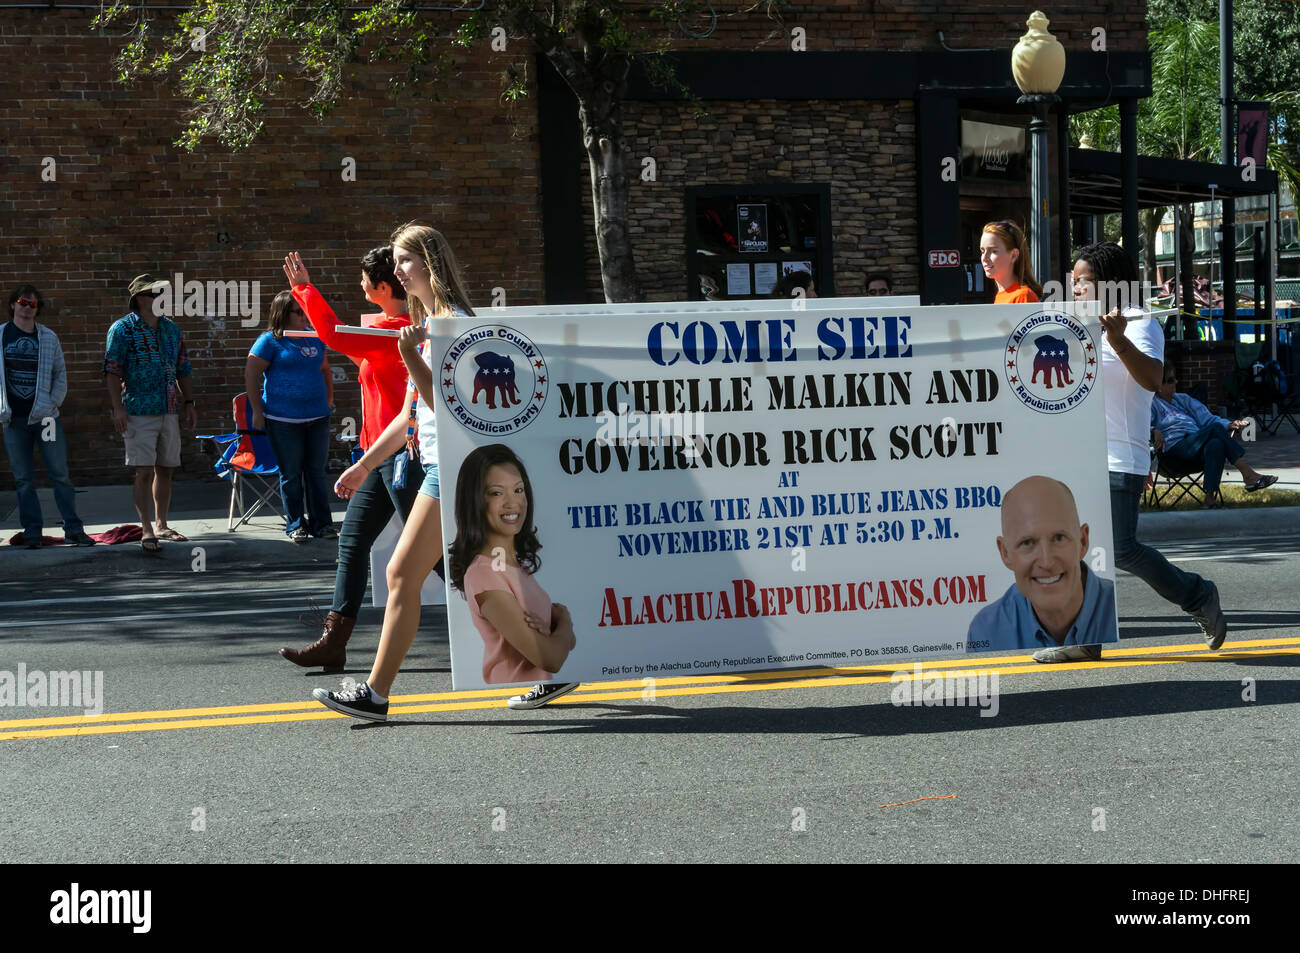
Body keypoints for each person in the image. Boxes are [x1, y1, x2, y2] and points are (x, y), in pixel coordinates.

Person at [312, 223, 474, 722]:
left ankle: (375, 694)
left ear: (430, 262)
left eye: (406, 261)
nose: (397, 271)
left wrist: (409, 354)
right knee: (471, 577)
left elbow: (447, 404)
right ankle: (550, 665)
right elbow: (407, 417)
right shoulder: (427, 324)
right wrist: (363, 467)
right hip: (433, 464)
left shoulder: (455, 323)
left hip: (456, 468)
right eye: (398, 263)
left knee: (407, 572)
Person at [1070, 240, 1227, 661]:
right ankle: (1085, 639)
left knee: (1121, 548)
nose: (1074, 288)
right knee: (1079, 548)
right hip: (1079, 457)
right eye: (1072, 279)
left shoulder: (1140, 324)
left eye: (1083, 281)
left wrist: (1117, 341)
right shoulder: (1074, 326)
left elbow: (1153, 380)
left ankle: (1197, 594)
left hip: (1121, 456)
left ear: (1110, 285)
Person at [278, 247, 419, 669]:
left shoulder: (397, 331)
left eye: (363, 280)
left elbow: (334, 335)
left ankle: (520, 630)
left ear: (381, 288)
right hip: (382, 457)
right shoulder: (389, 332)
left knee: (439, 560)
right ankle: (333, 643)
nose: (359, 286)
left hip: (403, 457)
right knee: (353, 545)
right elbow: (346, 346)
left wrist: (303, 288)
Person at [449, 444, 579, 706]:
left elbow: (566, 644)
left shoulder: (514, 565)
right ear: (475, 501)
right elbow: (552, 657)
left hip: (539, 691)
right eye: (497, 493)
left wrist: (557, 632)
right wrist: (563, 620)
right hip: (509, 695)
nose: (513, 502)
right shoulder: (485, 574)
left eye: (518, 490)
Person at [966, 476, 1116, 654]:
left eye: (1059, 538)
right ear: (1005, 553)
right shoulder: (988, 630)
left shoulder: (1116, 611)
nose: (1046, 562)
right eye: (1028, 543)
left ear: (1083, 541)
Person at [104, 275, 197, 555]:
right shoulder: (122, 329)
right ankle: (146, 528)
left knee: (166, 468)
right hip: (137, 409)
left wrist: (190, 402)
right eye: (155, 294)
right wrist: (117, 408)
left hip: (168, 407)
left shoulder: (172, 330)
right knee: (143, 470)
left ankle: (162, 523)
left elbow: (183, 367)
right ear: (141, 299)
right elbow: (111, 369)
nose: (161, 299)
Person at [1, 285, 95, 548]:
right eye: (22, 302)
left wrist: (49, 405)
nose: (27, 307)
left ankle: (74, 529)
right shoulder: (0, 336)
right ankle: (32, 532)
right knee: (23, 479)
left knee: (60, 474)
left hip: (46, 421)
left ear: (37, 309)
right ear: (12, 305)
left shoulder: (48, 337)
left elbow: (60, 376)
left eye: (32, 304)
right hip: (13, 421)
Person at [245, 292, 336, 543]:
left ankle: (323, 524)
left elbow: (325, 370)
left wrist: (328, 401)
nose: (304, 316)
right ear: (283, 314)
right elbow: (251, 375)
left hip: (318, 418)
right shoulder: (269, 341)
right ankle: (296, 524)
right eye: (298, 312)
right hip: (282, 421)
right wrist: (257, 411)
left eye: (305, 311)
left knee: (316, 472)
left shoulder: (315, 338)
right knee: (291, 474)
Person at [1151, 362, 1277, 507]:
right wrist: (1154, 430)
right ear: (1159, 386)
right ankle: (1247, 473)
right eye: (1171, 380)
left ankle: (1209, 500)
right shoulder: (1152, 404)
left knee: (1215, 444)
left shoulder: (1183, 399)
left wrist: (1230, 425)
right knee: (1215, 429)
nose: (1176, 382)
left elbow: (1208, 418)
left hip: (1196, 446)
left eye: (1174, 378)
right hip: (1173, 453)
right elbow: (1140, 425)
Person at [981, 220, 1041, 303]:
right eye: (982, 251)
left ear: (1013, 255)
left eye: (994, 251)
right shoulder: (1001, 296)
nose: (984, 257)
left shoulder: (1023, 296)